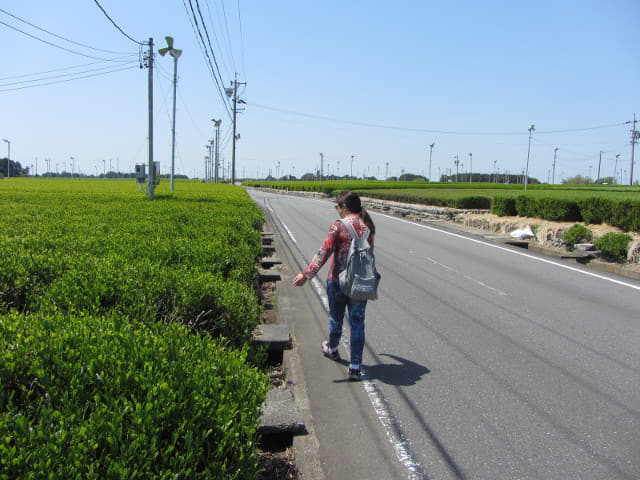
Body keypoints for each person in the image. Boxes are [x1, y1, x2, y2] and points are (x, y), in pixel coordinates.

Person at [292, 190, 377, 381]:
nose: (336, 210)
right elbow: (369, 260)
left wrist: (306, 275)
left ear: (345, 207)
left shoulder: (338, 226)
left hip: (337, 281)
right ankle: (355, 366)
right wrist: (373, 287)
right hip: (360, 285)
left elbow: (323, 253)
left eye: (338, 207)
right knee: (357, 324)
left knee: (336, 319)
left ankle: (332, 348)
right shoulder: (366, 226)